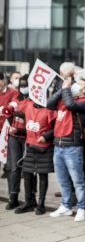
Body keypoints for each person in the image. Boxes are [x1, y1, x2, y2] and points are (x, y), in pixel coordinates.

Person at [47, 73, 85, 221]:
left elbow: (70, 105)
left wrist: (65, 89)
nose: (75, 85)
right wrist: (63, 89)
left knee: (77, 181)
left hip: (72, 147)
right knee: (62, 180)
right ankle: (65, 206)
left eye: (80, 84)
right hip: (58, 145)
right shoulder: (64, 98)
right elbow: (49, 103)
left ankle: (81, 208)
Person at [15, 97, 57, 214]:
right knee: (27, 174)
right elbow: (28, 128)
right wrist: (17, 131)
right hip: (30, 145)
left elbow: (56, 128)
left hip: (44, 146)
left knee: (42, 175)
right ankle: (29, 202)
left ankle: (41, 204)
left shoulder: (50, 108)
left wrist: (46, 136)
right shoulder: (29, 106)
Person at [6, 76, 30, 209]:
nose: (23, 87)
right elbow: (7, 113)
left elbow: (35, 118)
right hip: (14, 136)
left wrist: (22, 116)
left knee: (28, 168)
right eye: (21, 85)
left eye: (25, 85)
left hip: (27, 136)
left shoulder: (34, 101)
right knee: (14, 167)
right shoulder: (16, 99)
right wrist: (11, 119)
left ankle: (29, 198)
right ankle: (13, 197)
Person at [0, 72, 19, 184]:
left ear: (3, 81)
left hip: (6, 130)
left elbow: (13, 106)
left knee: (8, 163)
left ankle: (12, 194)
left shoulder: (12, 93)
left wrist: (4, 109)